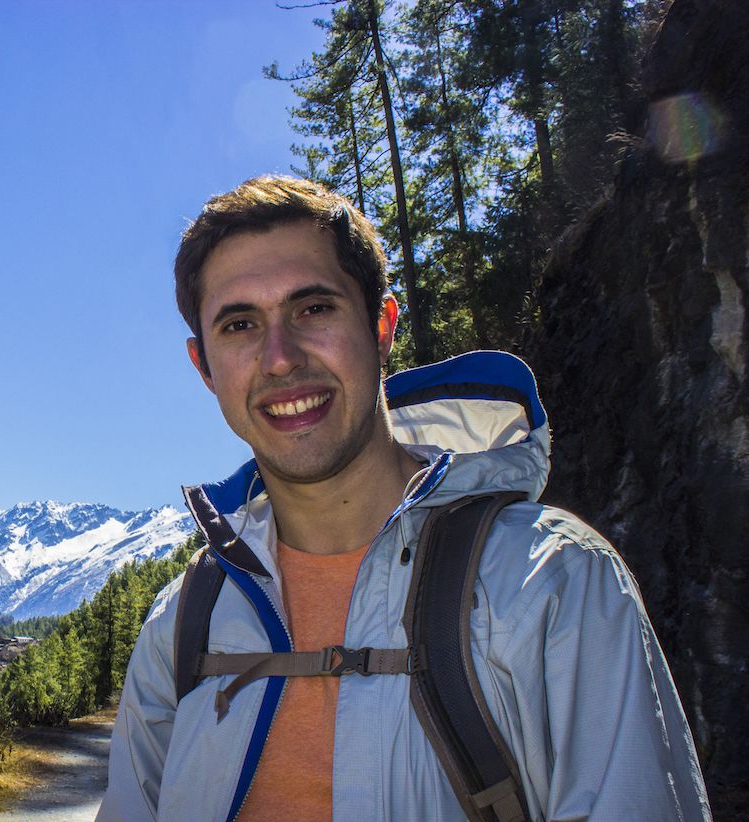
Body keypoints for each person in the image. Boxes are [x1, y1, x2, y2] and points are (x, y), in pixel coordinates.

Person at [98, 176, 710, 821]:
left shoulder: (551, 582)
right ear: (204, 368)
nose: (279, 359)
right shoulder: (183, 620)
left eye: (314, 309)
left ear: (382, 325)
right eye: (240, 324)